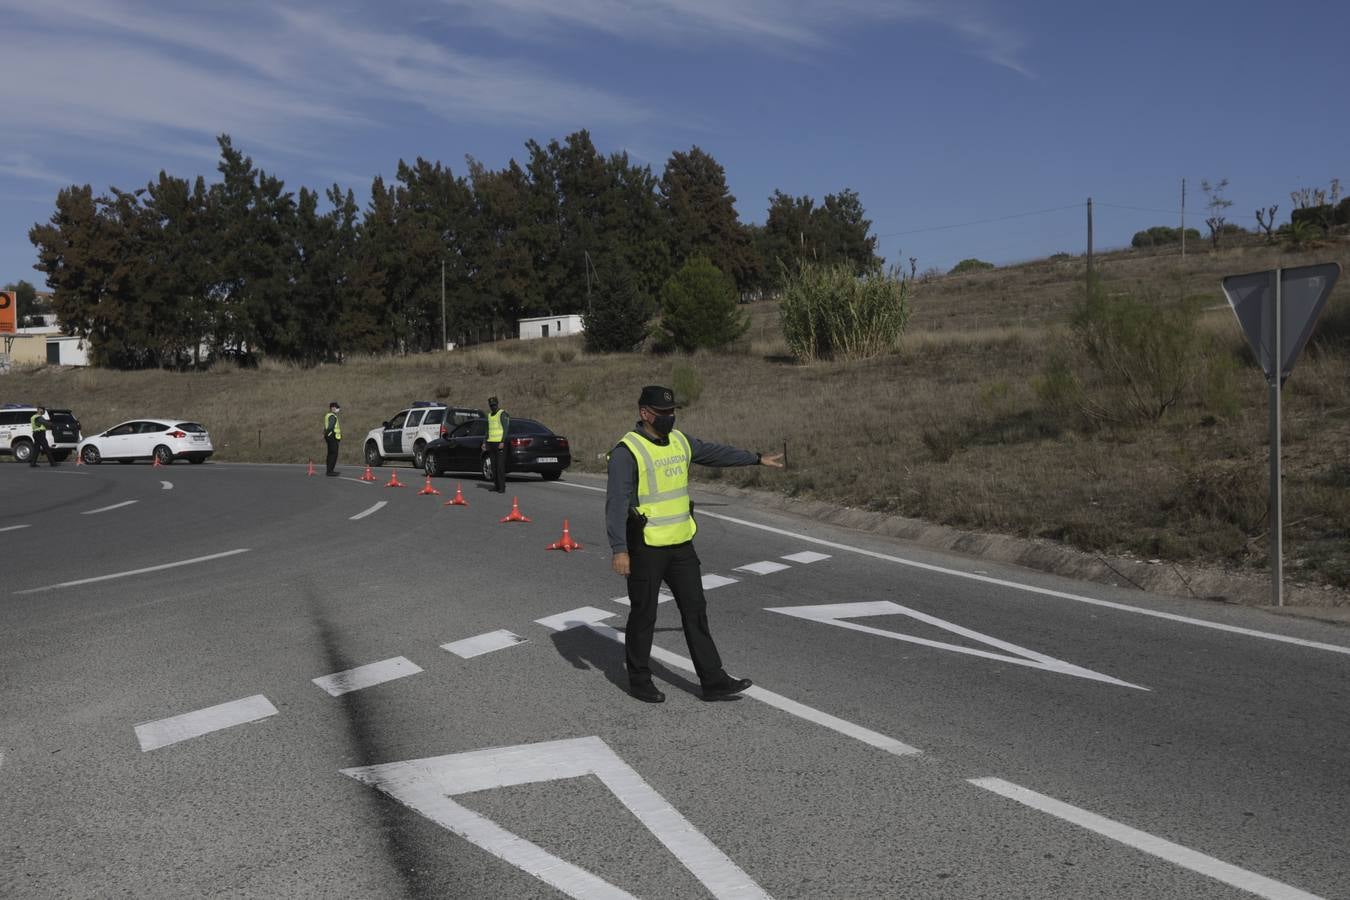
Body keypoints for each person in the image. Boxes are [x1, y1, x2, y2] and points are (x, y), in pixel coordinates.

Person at [607, 385, 784, 703]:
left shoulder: (680, 441)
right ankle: (638, 679)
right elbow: (616, 503)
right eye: (663, 413)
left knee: (695, 610)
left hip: (681, 545)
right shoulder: (627, 451)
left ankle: (713, 681)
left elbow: (715, 453)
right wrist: (619, 549)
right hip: (646, 546)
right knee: (644, 614)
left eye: (672, 412)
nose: (669, 417)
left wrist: (755, 459)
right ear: (645, 413)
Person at [481, 396, 509, 493]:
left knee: (500, 466)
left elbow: (505, 429)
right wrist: (484, 442)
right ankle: (496, 485)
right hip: (491, 443)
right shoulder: (489, 415)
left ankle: (502, 487)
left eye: (494, 405)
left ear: (497, 404)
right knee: (493, 466)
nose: (492, 407)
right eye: (491, 405)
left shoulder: (502, 414)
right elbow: (487, 430)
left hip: (500, 444)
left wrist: (502, 441)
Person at [323, 402, 342, 476]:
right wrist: (330, 434)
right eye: (337, 408)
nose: (338, 409)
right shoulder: (332, 416)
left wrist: (326, 435)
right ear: (333, 408)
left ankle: (329, 470)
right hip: (332, 437)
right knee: (333, 454)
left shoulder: (328, 415)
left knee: (330, 454)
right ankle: (330, 471)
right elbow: (330, 427)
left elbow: (326, 427)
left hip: (329, 437)